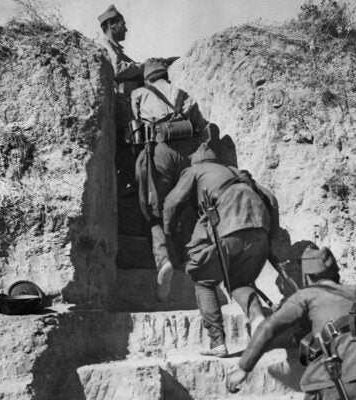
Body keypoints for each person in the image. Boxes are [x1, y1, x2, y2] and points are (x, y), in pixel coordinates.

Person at [226, 247, 356, 400]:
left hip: (336, 379)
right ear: (335, 272)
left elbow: (268, 327)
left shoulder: (307, 296)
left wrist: (244, 368)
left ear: (307, 277)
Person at [162, 144, 279, 357]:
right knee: (240, 282)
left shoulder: (195, 170)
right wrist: (269, 237)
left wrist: (167, 234)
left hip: (228, 228)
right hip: (260, 230)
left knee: (203, 279)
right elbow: (270, 198)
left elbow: (172, 203)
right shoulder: (239, 173)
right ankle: (258, 319)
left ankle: (217, 342)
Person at [132, 62, 210, 302]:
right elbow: (203, 130)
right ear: (166, 75)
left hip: (159, 151)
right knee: (185, 207)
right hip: (188, 153)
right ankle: (192, 260)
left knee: (152, 210)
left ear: (147, 80)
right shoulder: (182, 93)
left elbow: (135, 125)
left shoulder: (139, 93)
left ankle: (163, 260)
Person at [97, 4, 178, 236]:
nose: (127, 29)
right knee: (130, 170)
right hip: (121, 119)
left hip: (127, 120)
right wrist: (147, 67)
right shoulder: (106, 47)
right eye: (123, 24)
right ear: (111, 25)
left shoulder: (117, 49)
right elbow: (120, 70)